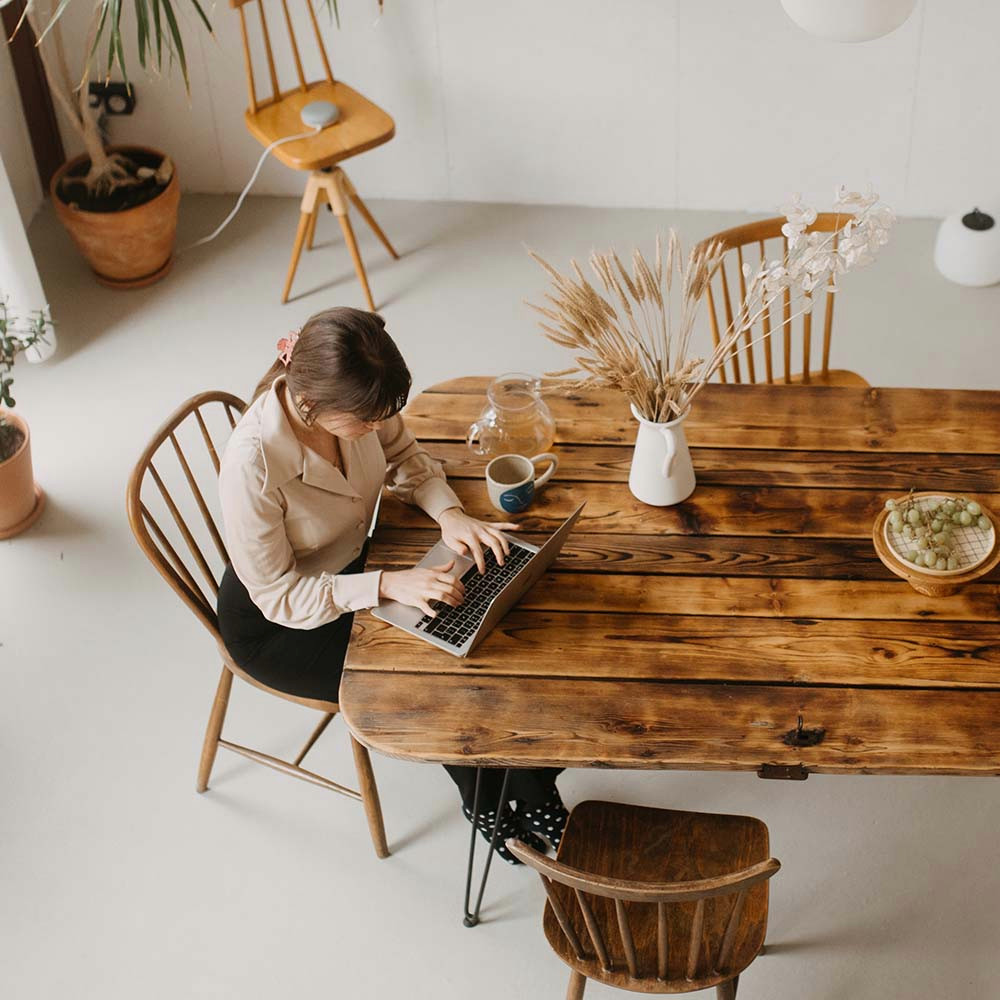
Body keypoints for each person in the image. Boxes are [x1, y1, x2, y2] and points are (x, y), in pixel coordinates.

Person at [216, 307, 568, 861]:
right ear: (312, 405)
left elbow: (406, 457)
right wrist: (386, 586)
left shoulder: (361, 408)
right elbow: (278, 595)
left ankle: (528, 783)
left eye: (381, 416)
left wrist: (449, 514)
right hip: (280, 623)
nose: (376, 430)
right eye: (364, 422)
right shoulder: (251, 467)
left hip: (353, 566)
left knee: (478, 632)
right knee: (433, 676)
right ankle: (501, 804)